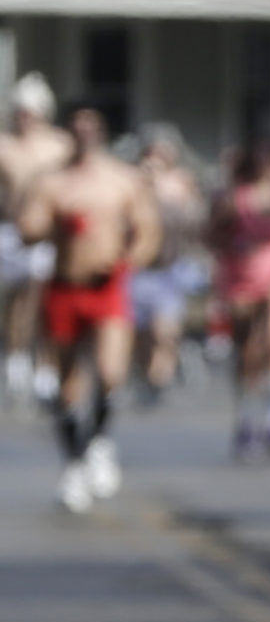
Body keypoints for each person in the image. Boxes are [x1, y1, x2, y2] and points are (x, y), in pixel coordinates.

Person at [19, 105, 162, 513]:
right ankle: (74, 462)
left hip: (108, 286)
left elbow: (147, 230)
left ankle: (98, 439)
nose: (84, 133)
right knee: (67, 381)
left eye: (91, 125)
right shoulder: (51, 182)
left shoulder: (122, 179)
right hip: (65, 286)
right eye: (76, 126)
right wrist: (52, 223)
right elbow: (29, 228)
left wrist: (128, 259)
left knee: (110, 372)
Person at [212, 139, 270, 458]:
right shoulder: (235, 198)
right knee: (249, 351)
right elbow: (213, 234)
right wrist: (236, 244)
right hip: (244, 277)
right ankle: (247, 417)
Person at [0, 73, 74, 410]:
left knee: (43, 297)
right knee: (16, 300)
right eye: (21, 112)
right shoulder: (6, 145)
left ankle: (47, 366)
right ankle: (16, 359)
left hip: (47, 233)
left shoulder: (60, 145)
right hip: (11, 232)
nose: (24, 118)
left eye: (30, 112)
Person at [129, 125, 211, 400]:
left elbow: (197, 222)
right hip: (139, 270)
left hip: (169, 269)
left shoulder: (180, 184)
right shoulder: (133, 181)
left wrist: (175, 197)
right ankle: (146, 372)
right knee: (141, 333)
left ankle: (159, 378)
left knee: (164, 330)